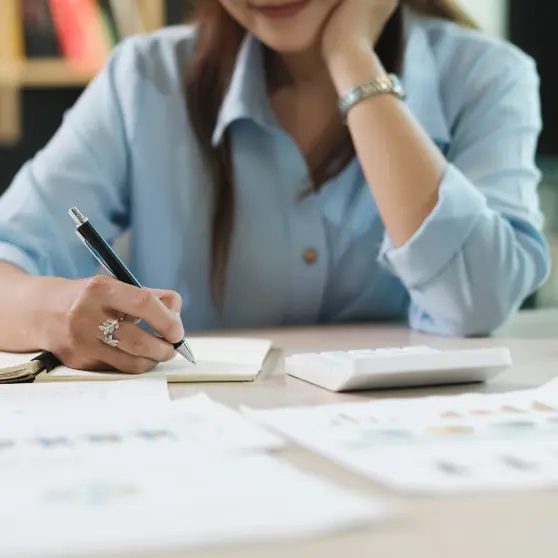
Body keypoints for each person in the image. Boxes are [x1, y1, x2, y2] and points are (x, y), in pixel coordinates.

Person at [0, 0, 549, 373]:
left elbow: (476, 303)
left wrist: (352, 57)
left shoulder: (486, 75)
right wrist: (60, 311)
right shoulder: (145, 78)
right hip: (207, 444)